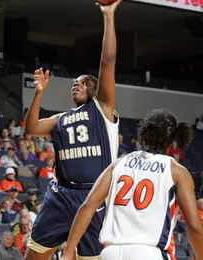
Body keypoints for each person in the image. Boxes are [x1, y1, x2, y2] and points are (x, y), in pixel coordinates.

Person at [24, 0, 123, 260]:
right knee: (34, 256)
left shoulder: (101, 109)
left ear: (94, 88)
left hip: (93, 196)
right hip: (61, 195)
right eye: (73, 83)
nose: (75, 85)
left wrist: (108, 15)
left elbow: (108, 62)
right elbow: (31, 129)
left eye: (82, 83)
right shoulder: (61, 118)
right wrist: (38, 94)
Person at [61, 109, 203, 260]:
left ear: (144, 134)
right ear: (172, 140)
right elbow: (194, 226)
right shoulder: (177, 171)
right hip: (150, 252)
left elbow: (87, 206)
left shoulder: (119, 163)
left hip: (111, 252)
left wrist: (68, 251)